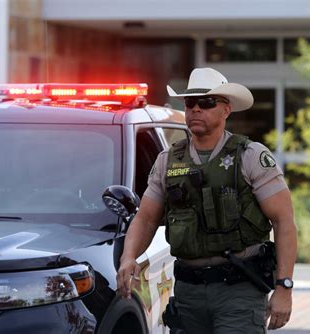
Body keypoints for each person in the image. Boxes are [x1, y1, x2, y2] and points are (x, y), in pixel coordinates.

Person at [117, 67, 297, 333]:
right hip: (188, 293)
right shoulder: (168, 160)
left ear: (226, 110)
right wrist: (128, 257)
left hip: (238, 290)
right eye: (190, 104)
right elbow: (145, 218)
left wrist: (284, 287)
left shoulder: (249, 156)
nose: (196, 110)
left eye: (206, 103)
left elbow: (284, 221)